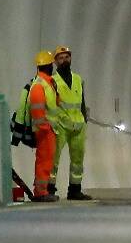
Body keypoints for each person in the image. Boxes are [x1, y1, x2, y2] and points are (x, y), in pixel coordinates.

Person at [50, 45, 93, 202]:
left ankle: (75, 190)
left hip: (78, 125)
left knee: (78, 160)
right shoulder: (53, 81)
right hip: (61, 124)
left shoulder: (78, 79)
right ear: (55, 62)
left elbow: (82, 101)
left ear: (70, 58)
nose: (64, 60)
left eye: (66, 57)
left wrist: (84, 118)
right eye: (60, 58)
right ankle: (50, 189)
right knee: (54, 158)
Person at [20, 50, 60, 202]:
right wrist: (44, 127)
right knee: (44, 160)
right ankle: (40, 192)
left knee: (47, 160)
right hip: (44, 129)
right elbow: (37, 110)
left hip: (48, 128)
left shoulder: (47, 83)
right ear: (49, 66)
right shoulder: (39, 85)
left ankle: (42, 191)